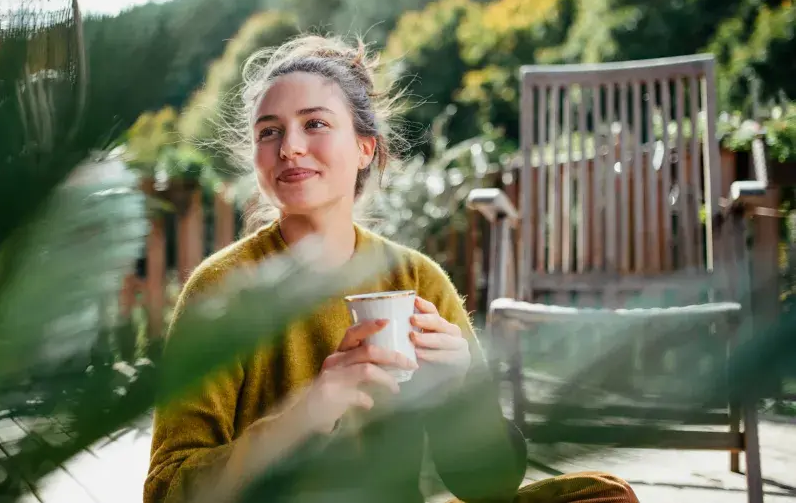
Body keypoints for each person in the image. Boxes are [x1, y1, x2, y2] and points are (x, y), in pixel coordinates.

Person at [144, 35, 638, 503]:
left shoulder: (417, 281)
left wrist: (458, 393)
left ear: (366, 148)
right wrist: (307, 414)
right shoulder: (221, 289)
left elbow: (489, 488)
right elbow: (166, 492)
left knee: (602, 497)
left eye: (314, 124)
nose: (289, 147)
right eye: (269, 132)